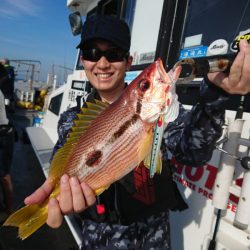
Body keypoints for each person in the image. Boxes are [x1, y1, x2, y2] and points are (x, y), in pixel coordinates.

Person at [25, 15, 250, 249]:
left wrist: (215, 97)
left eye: (113, 53)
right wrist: (55, 201)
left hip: (153, 238)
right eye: (92, 53)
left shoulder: (163, 111)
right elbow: (62, 172)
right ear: (83, 60)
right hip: (97, 239)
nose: (102, 63)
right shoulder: (72, 118)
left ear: (129, 61)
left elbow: (193, 152)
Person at [0, 64, 15, 216]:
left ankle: (10, 209)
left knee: (4, 175)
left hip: (3, 136)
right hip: (7, 133)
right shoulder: (4, 90)